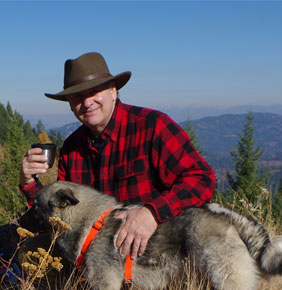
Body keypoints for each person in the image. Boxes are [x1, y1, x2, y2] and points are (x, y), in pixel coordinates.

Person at [20, 52, 216, 261]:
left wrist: (152, 213)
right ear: (70, 104)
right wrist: (29, 182)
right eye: (77, 96)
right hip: (95, 254)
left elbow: (202, 180)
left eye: (95, 92)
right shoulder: (72, 148)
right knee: (29, 254)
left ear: (113, 92)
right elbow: (58, 212)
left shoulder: (152, 126)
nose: (87, 102)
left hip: (152, 255)